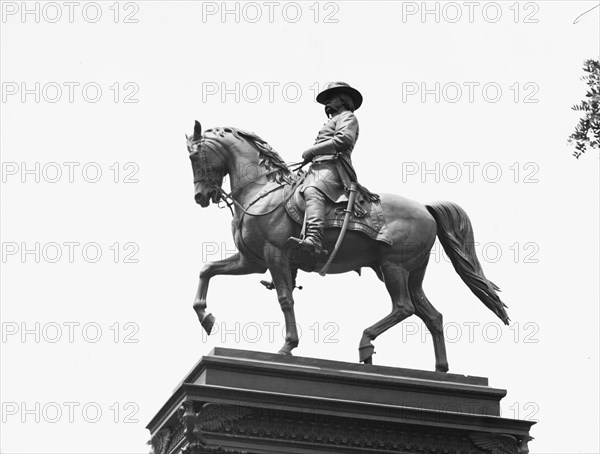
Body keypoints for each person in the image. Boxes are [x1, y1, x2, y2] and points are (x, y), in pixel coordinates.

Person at [289, 82, 377, 256]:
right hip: (318, 167)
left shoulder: (347, 117)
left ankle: (314, 238)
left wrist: (313, 150)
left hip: (333, 167)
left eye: (331, 98)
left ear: (343, 100)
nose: (327, 102)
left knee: (312, 191)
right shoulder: (332, 120)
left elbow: (344, 140)